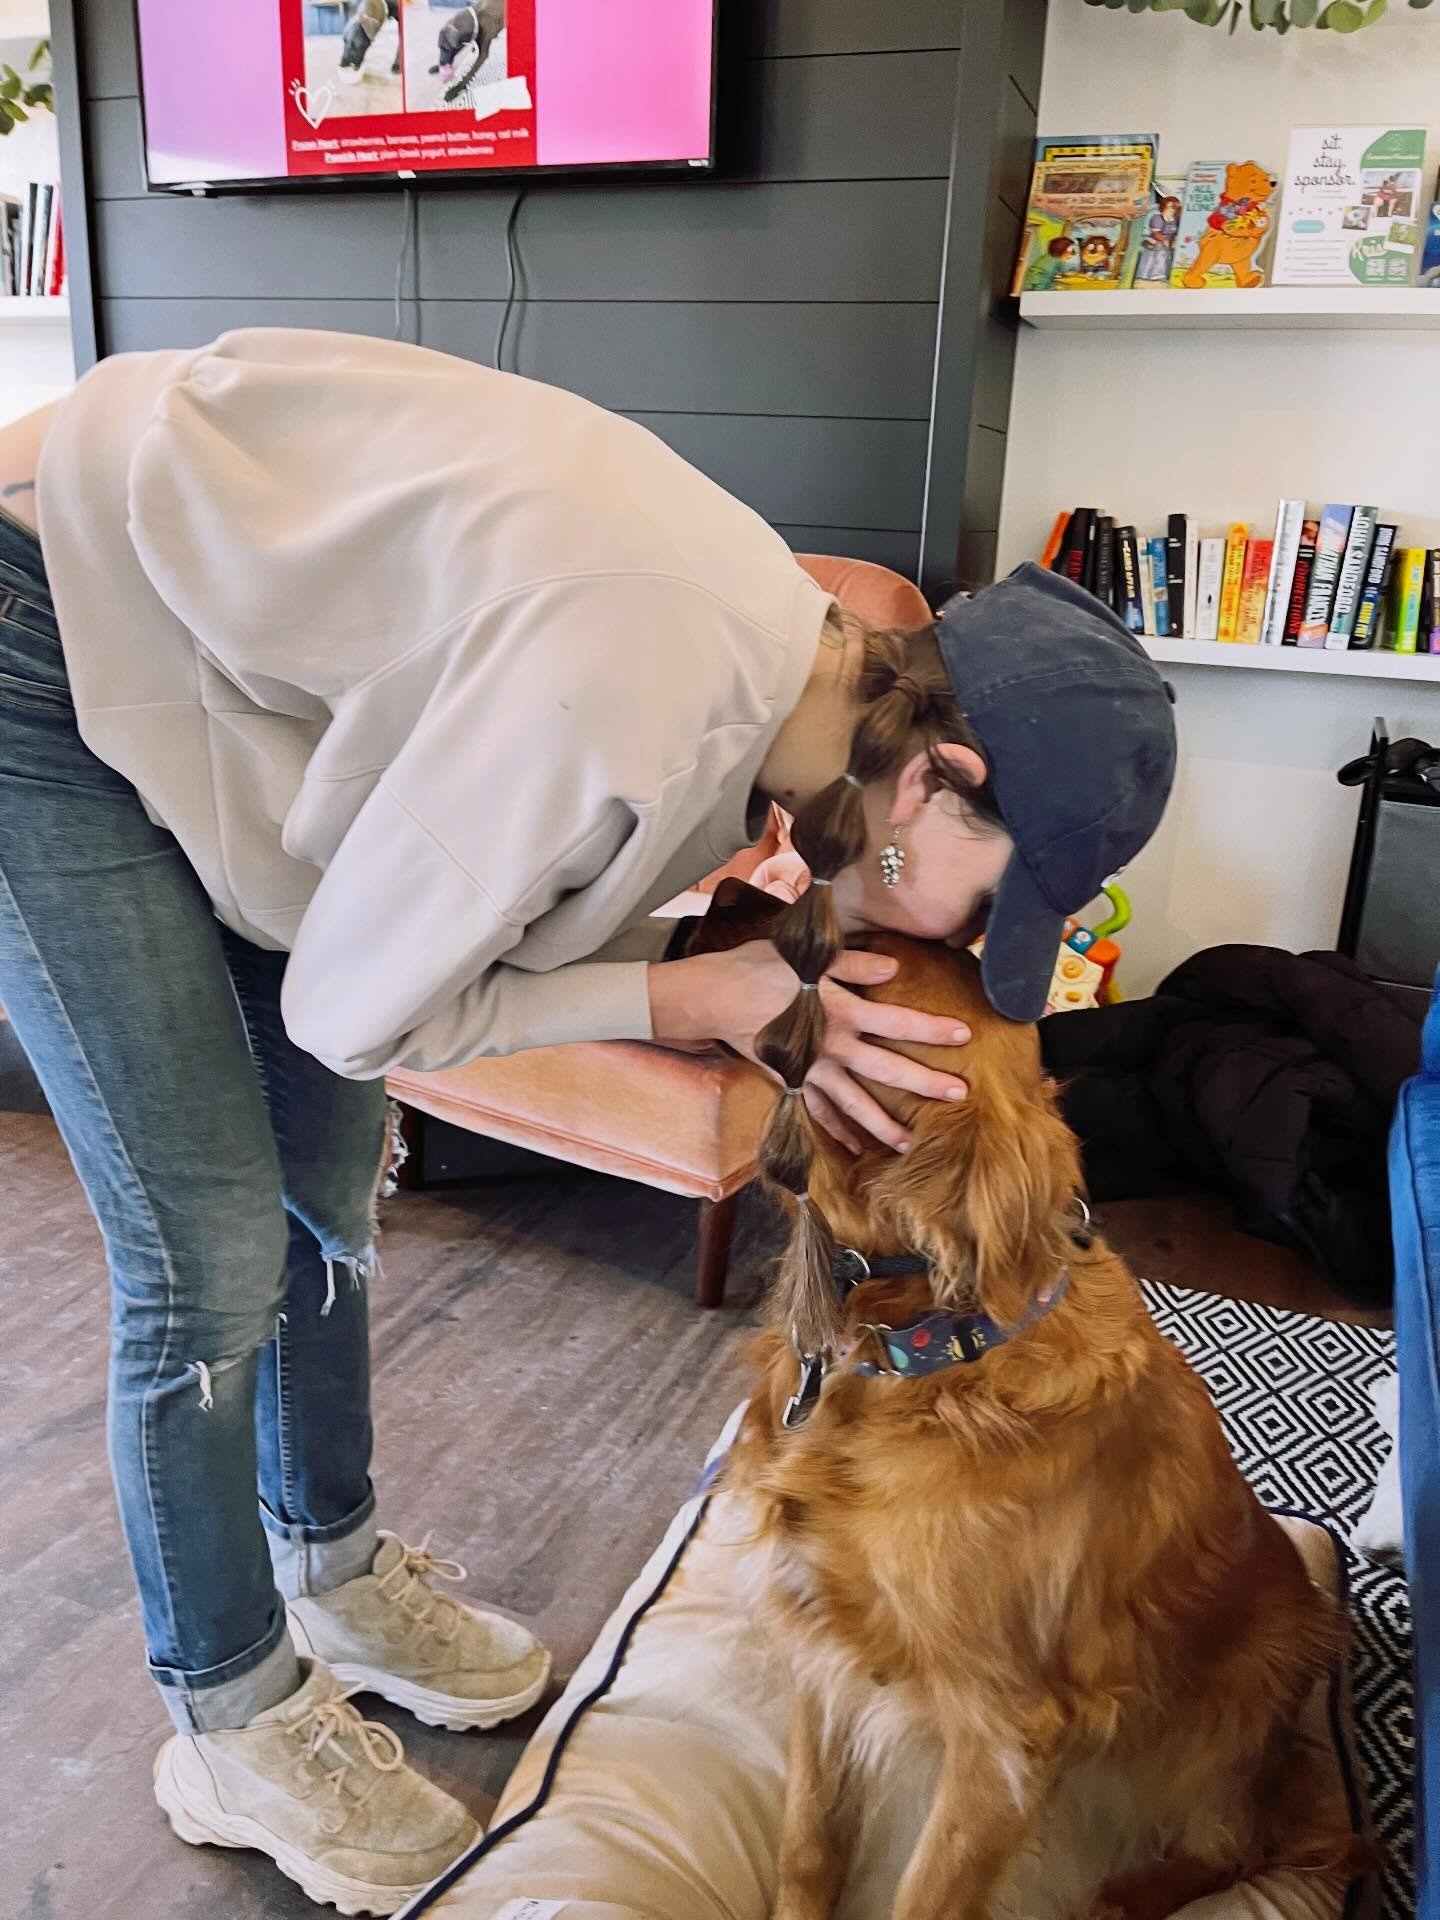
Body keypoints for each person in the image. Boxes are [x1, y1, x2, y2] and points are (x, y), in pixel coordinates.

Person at [0, 329, 1176, 1914]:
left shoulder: (794, 673)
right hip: (42, 632)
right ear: (936, 783)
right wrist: (694, 1002)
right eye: (998, 903)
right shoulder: (642, 688)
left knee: (328, 1177)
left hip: (200, 647)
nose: (971, 946)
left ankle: (330, 1567)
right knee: (209, 1254)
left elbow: (511, 910)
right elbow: (356, 1009)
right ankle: (225, 1712)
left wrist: (743, 979)